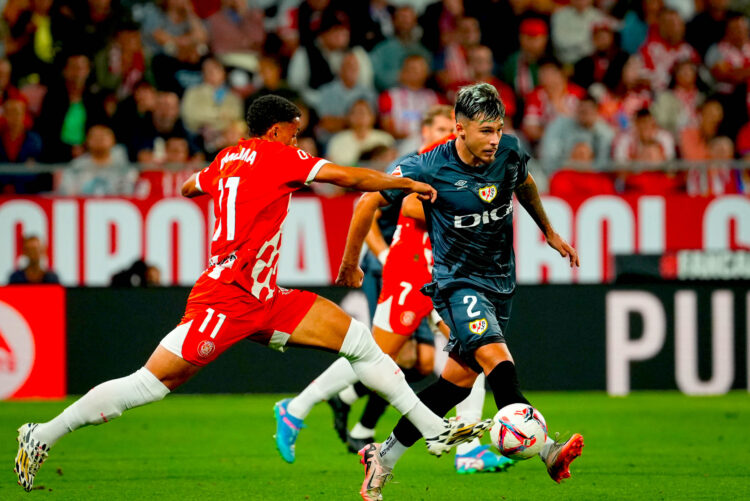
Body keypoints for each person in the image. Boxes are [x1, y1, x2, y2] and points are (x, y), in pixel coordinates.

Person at [13, 95, 490, 493]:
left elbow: (187, 186)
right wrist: (404, 181)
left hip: (266, 298)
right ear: (278, 131)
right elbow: (348, 177)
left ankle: (431, 428)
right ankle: (42, 433)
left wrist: (221, 193)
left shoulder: (227, 159)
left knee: (359, 341)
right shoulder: (278, 156)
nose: (299, 142)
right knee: (150, 385)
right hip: (226, 298)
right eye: (295, 133)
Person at [334, 83, 584, 500]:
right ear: (459, 128)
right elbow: (365, 204)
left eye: (499, 129)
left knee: (453, 385)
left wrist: (550, 232)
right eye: (485, 131)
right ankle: (546, 450)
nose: (494, 139)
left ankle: (383, 456)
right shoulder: (427, 166)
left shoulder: (509, 152)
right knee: (497, 358)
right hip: (456, 283)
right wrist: (350, 263)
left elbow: (524, 184)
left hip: (500, 281)